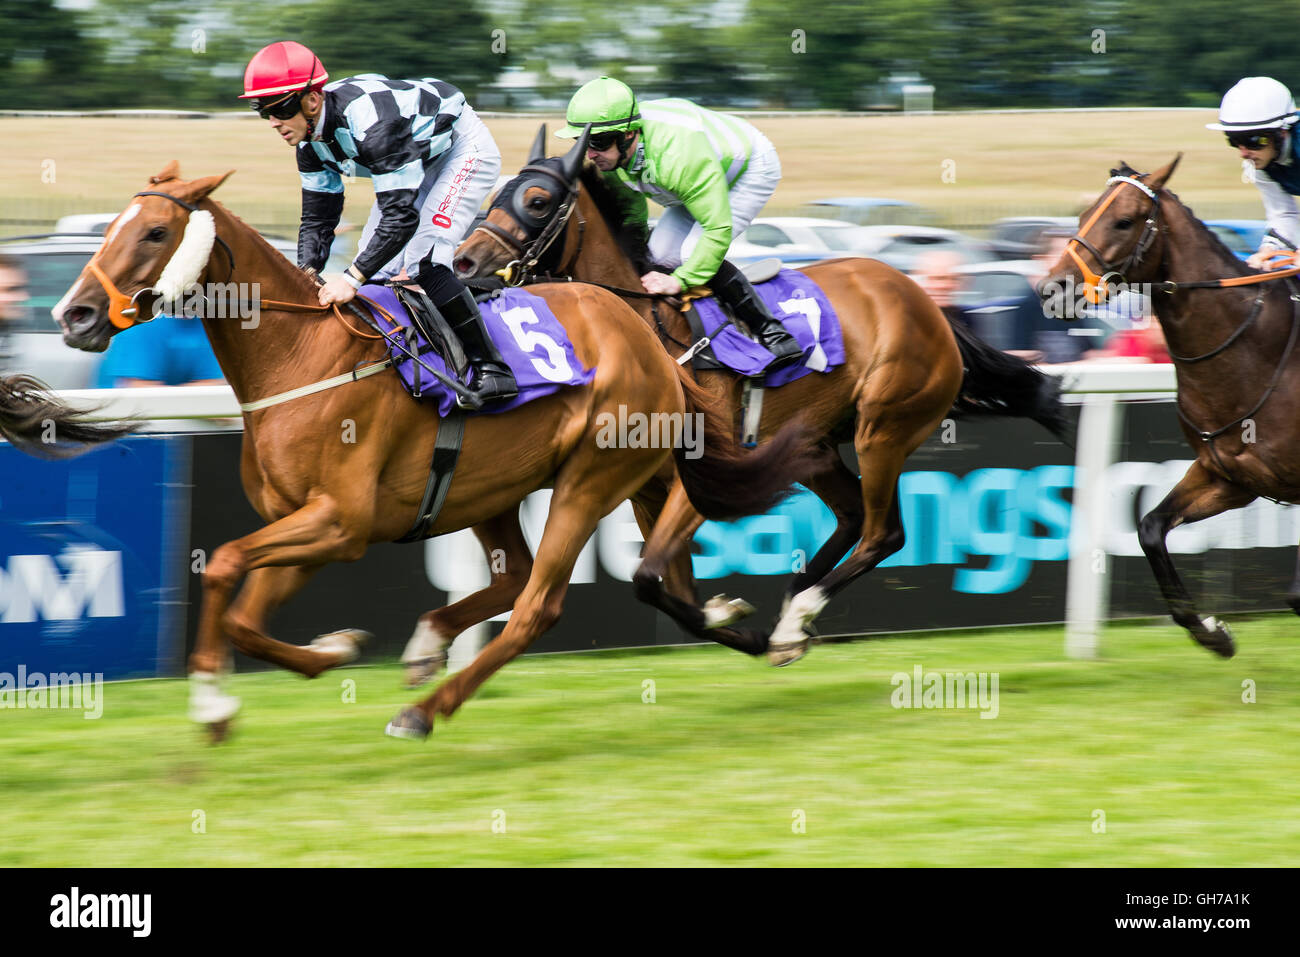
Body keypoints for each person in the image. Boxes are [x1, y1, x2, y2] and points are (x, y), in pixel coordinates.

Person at [240, 40, 513, 406]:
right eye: (263, 110)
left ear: (312, 100)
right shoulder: (308, 143)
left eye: (280, 107)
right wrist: (306, 270)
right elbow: (318, 218)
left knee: (424, 260)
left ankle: (491, 369)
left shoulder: (373, 126)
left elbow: (401, 219)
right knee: (379, 269)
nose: (273, 121)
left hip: (460, 149)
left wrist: (351, 278)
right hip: (411, 156)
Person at [556, 77, 802, 369]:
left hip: (747, 169)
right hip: (694, 180)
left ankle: (770, 331)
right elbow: (632, 213)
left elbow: (717, 228)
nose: (590, 154)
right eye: (582, 142)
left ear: (629, 135)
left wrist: (680, 280)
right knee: (659, 256)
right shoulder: (613, 158)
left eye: (596, 142)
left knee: (689, 257)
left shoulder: (678, 158)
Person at [1207, 77, 1300, 270]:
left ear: (1282, 133)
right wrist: (1267, 250)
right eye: (1234, 141)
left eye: (1253, 140)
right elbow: (1283, 213)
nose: (1243, 153)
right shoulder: (1259, 163)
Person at [912, 250, 973, 330]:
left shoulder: (968, 317)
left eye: (955, 279)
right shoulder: (904, 321)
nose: (946, 285)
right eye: (938, 279)